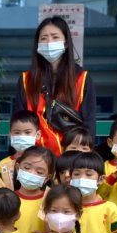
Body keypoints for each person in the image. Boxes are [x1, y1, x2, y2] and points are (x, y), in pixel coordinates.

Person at [13, 16, 96, 154]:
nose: (49, 42)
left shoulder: (82, 78)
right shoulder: (25, 79)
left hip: (70, 158)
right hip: (35, 158)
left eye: (55, 37)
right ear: (37, 44)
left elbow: (89, 124)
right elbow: (18, 122)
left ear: (66, 43)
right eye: (44, 38)